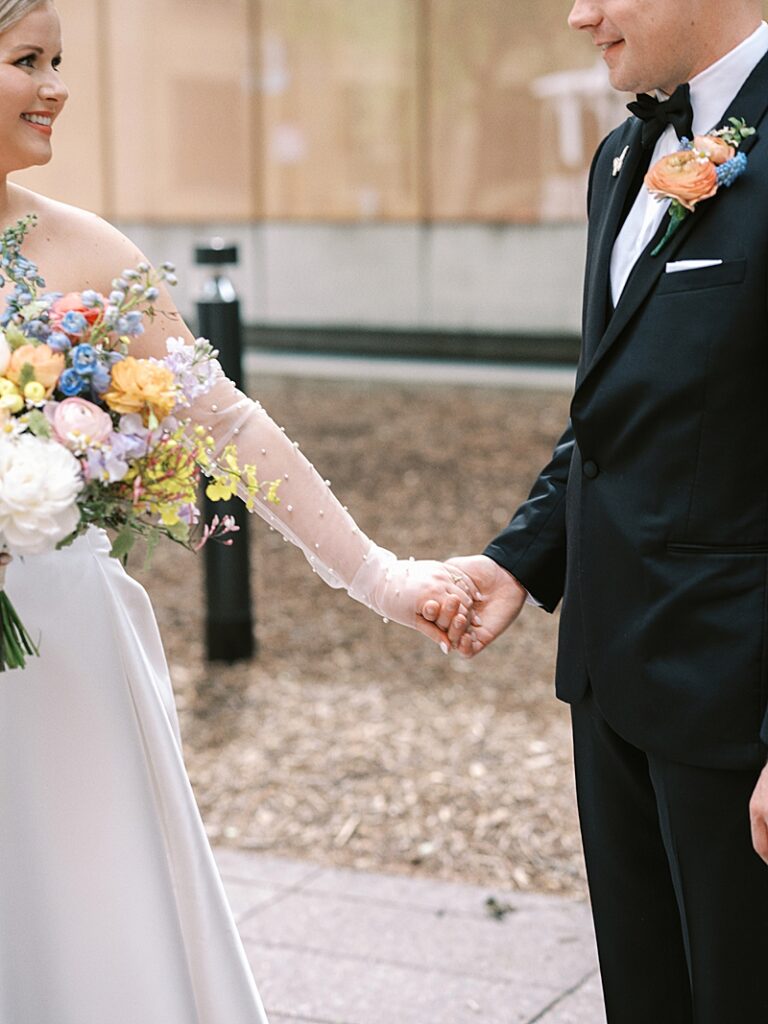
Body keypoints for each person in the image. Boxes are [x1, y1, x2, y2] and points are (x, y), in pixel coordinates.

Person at [0, 2, 480, 1021]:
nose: (56, 87)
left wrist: (377, 574)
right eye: (25, 61)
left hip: (59, 654)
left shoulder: (89, 256)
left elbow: (228, 426)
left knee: (91, 927)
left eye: (58, 60)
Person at [426, 1, 768, 1020]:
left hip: (735, 707)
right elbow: (620, 411)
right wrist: (521, 558)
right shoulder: (624, 155)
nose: (577, 15)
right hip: (612, 682)